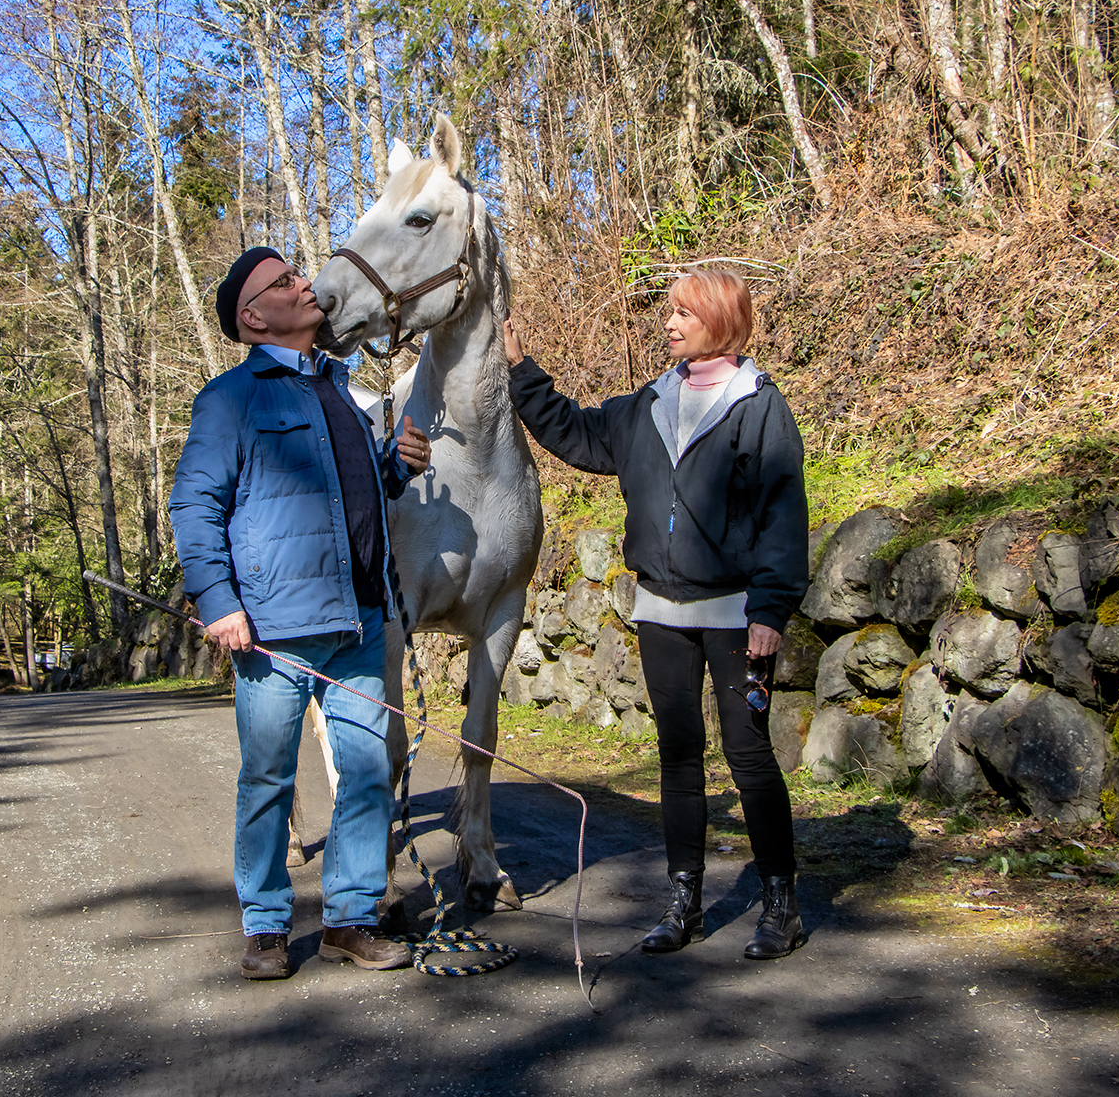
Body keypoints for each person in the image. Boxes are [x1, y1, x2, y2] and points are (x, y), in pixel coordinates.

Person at [503, 268, 809, 960]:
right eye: (668, 312)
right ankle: (683, 901)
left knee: (749, 757)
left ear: (721, 321)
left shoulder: (760, 406)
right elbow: (574, 433)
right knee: (678, 758)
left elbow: (783, 515)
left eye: (683, 313)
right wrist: (521, 368)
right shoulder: (648, 404)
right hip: (662, 610)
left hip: (736, 613)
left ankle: (780, 904)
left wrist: (771, 607)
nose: (668, 323)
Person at [170, 246, 431, 980]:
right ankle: (266, 925)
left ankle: (350, 917)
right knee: (268, 779)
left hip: (357, 622)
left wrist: (396, 467)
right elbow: (195, 504)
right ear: (253, 318)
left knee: (369, 772)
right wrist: (218, 600)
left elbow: (355, 494)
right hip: (273, 633)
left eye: (297, 272)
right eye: (282, 282)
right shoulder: (229, 400)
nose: (302, 283)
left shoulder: (340, 388)